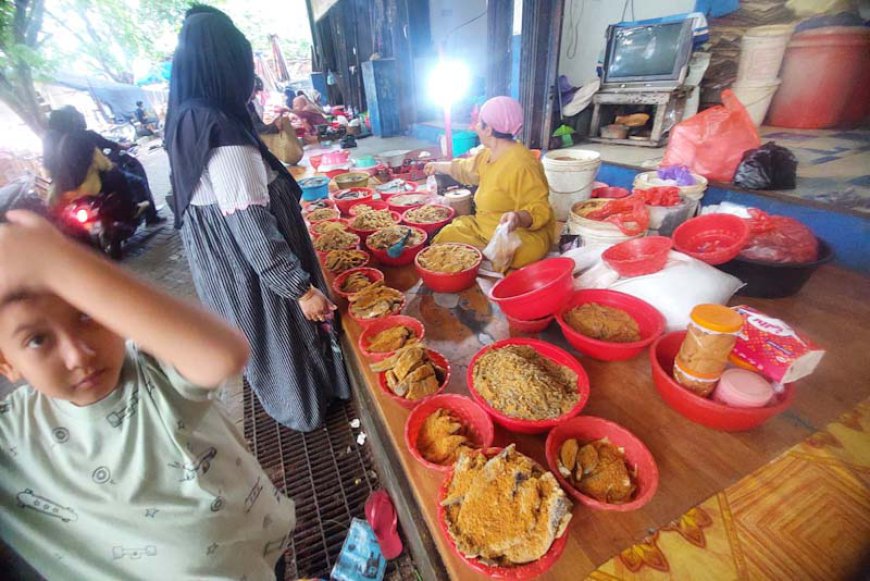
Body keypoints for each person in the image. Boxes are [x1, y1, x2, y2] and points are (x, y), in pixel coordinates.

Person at [0, 210, 295, 579]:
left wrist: (57, 264)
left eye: (87, 315)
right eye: (37, 340)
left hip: (261, 553)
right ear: (5, 363)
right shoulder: (12, 439)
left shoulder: (151, 369)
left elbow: (223, 354)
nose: (79, 356)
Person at [165, 6, 350, 432]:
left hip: (226, 264)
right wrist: (300, 289)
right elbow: (250, 224)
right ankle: (305, 411)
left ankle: (297, 401)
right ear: (226, 68)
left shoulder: (186, 116)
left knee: (264, 342)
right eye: (244, 66)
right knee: (284, 336)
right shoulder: (219, 129)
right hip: (251, 266)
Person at [425, 96, 555, 269]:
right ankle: (485, 254)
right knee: (447, 234)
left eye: (479, 123)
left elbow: (540, 208)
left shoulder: (523, 164)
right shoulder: (487, 154)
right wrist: (436, 166)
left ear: (488, 130)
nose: (475, 127)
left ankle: (482, 255)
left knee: (523, 252)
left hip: (517, 232)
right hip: (484, 227)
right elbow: (465, 168)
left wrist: (518, 218)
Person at [44, 106, 164, 224]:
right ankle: (136, 211)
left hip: (63, 190)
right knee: (128, 179)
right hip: (90, 186)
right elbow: (103, 163)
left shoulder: (50, 141)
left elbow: (48, 169)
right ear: (73, 120)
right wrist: (112, 166)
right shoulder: (80, 137)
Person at [248, 77, 304, 165]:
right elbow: (253, 127)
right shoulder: (243, 106)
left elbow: (256, 125)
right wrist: (274, 127)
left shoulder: (250, 104)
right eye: (254, 91)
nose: (255, 95)